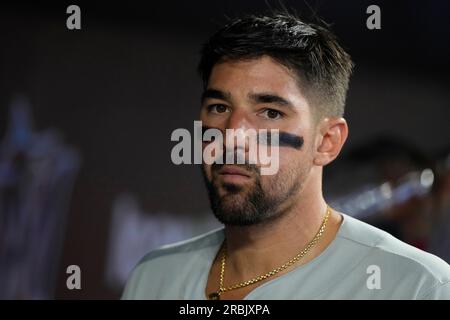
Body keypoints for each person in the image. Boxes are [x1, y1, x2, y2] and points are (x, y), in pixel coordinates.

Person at [122, 12, 450, 299]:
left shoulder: (417, 287)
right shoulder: (154, 277)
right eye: (219, 107)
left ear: (327, 141)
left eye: (270, 112)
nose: (233, 134)